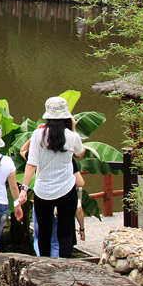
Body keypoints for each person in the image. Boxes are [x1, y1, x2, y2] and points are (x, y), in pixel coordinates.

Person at [16, 96, 86, 259]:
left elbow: (31, 164)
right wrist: (74, 129)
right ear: (67, 116)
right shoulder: (72, 136)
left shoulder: (38, 135)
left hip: (43, 192)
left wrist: (24, 189)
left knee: (44, 234)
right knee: (65, 234)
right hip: (67, 190)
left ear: (47, 116)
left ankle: (44, 267)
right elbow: (80, 153)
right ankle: (65, 269)